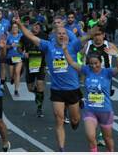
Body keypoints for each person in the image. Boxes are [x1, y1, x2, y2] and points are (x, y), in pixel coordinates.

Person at [13, 15, 101, 152]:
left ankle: (75, 118)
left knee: (75, 121)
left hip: (72, 89)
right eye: (58, 33)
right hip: (57, 90)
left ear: (67, 35)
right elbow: (30, 36)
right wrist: (19, 24)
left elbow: (89, 34)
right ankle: (61, 149)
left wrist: (99, 23)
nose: (61, 35)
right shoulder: (47, 46)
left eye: (63, 33)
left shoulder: (73, 46)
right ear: (55, 35)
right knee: (59, 120)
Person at [62, 41, 118, 152]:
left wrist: (116, 55)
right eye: (91, 63)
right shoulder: (87, 70)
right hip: (90, 110)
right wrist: (65, 50)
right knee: (91, 137)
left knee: (107, 139)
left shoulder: (107, 72)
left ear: (100, 63)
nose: (93, 66)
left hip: (105, 111)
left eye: (96, 63)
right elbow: (72, 63)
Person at [20, 21, 48, 117]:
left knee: (40, 84)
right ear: (31, 26)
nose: (36, 27)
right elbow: (19, 48)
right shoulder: (24, 37)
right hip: (29, 64)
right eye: (34, 25)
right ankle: (38, 93)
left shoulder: (44, 36)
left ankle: (39, 108)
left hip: (41, 64)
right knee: (30, 88)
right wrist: (23, 53)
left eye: (38, 25)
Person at [6, 23, 23, 96]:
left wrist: (23, 48)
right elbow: (5, 46)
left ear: (18, 28)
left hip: (19, 57)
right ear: (11, 29)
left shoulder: (21, 36)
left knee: (17, 72)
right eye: (13, 27)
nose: (15, 29)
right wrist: (10, 46)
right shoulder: (8, 36)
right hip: (10, 57)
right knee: (11, 75)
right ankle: (12, 78)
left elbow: (25, 45)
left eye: (16, 27)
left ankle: (16, 90)